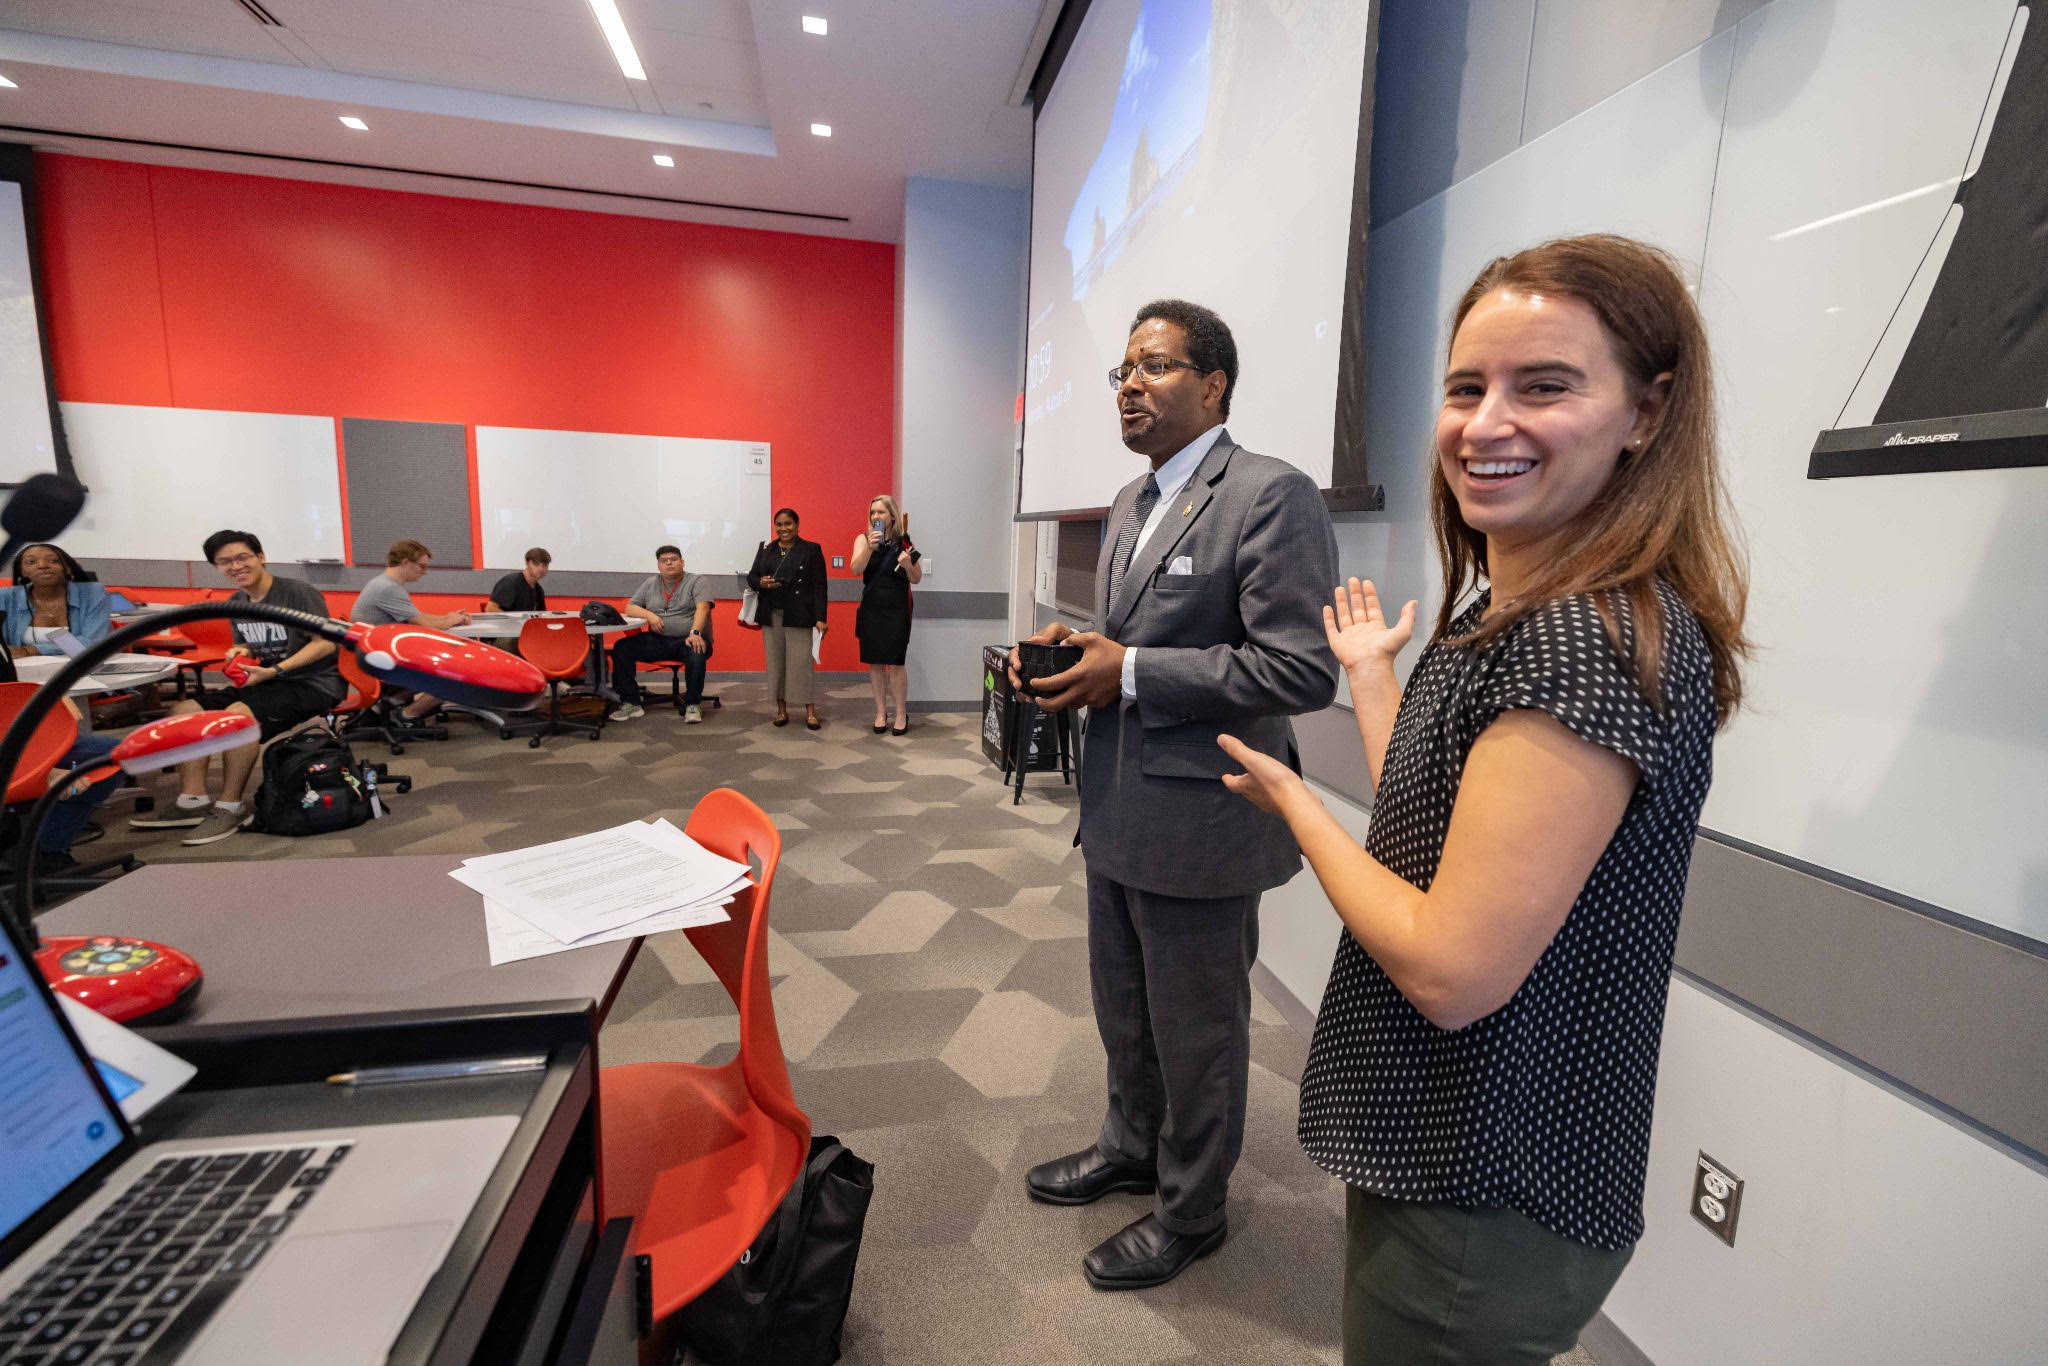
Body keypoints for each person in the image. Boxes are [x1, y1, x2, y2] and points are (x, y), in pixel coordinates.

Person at [1217, 235, 1750, 1363]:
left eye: (1543, 385)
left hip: (1485, 1182)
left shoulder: (1576, 641)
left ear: (1645, 414)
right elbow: (1441, 826)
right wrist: (1373, 684)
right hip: (1457, 1150)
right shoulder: (1526, 608)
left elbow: (1452, 972)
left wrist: (1300, 809)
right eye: (1465, 387)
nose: (1483, 422)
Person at [1013, 299, 1339, 1291]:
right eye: (1121, 368)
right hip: (1113, 808)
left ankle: (1190, 1209)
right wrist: (1087, 662)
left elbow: (1300, 670)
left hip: (1200, 822)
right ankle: (1129, 1144)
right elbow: (1129, 642)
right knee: (1124, 1011)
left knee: (1197, 1032)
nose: (1126, 384)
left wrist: (1137, 672)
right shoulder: (1126, 501)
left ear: (1212, 385)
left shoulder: (1270, 495)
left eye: (1152, 366)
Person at [128, 529, 347, 847]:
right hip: (268, 680)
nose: (235, 566)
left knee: (237, 717)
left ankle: (230, 806)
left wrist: (274, 670)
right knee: (183, 711)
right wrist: (239, 652)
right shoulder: (237, 602)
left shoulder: (297, 593)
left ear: (261, 557)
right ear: (217, 567)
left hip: (313, 682)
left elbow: (325, 644)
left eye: (242, 557)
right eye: (225, 561)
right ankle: (192, 800)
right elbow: (246, 644)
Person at [350, 539, 471, 720]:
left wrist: (449, 618)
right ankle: (407, 715)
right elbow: (423, 622)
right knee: (452, 675)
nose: (424, 572)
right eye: (422, 566)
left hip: (375, 656)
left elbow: (416, 618)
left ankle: (389, 704)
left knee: (437, 667)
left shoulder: (383, 583)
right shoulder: (388, 588)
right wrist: (451, 620)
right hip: (381, 661)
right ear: (405, 562)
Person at [610, 545, 715, 722]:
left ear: (682, 562)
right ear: (658, 565)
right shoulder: (651, 583)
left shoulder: (697, 581)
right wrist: (649, 615)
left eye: (673, 559)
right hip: (658, 640)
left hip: (688, 639)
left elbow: (703, 608)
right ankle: (631, 702)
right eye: (663, 561)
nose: (669, 563)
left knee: (696, 651)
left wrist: (696, 632)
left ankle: (692, 704)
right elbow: (630, 607)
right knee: (621, 648)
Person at [745, 508, 828, 730]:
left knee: (801, 664)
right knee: (776, 664)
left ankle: (810, 711)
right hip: (771, 614)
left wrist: (821, 617)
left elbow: (820, 586)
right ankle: (781, 710)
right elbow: (751, 577)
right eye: (779, 525)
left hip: (801, 614)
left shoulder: (811, 550)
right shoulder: (766, 549)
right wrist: (761, 583)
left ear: (798, 525)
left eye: (788, 524)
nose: (783, 529)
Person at [851, 494, 922, 734]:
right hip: (872, 607)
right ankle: (881, 712)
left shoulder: (904, 542)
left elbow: (917, 578)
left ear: (892, 516)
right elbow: (855, 569)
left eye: (880, 512)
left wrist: (907, 565)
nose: (875, 517)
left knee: (896, 663)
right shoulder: (863, 539)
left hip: (897, 609)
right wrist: (869, 550)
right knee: (875, 663)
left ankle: (901, 712)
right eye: (872, 512)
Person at [2, 544, 113, 657]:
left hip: (81, 668)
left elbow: (93, 642)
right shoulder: (6, 597)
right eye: (31, 562)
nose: (42, 565)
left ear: (68, 568)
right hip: (24, 670)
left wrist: (30, 650)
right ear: (22, 571)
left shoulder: (93, 593)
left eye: (53, 561)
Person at [487, 547, 551, 612]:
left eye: (545, 565)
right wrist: (513, 621)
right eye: (536, 564)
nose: (541, 569)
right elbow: (490, 609)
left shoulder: (539, 591)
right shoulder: (511, 583)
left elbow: (540, 617)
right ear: (527, 563)